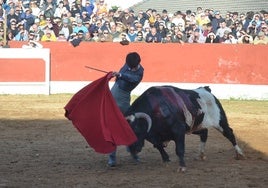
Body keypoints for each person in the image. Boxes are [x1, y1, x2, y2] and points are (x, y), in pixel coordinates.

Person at [108, 52, 144, 167]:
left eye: (131, 66)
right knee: (114, 126)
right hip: (114, 93)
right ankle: (112, 156)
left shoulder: (140, 72)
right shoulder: (128, 64)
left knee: (130, 126)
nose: (128, 67)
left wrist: (120, 75)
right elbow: (122, 77)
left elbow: (131, 79)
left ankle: (131, 150)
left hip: (123, 99)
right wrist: (116, 75)